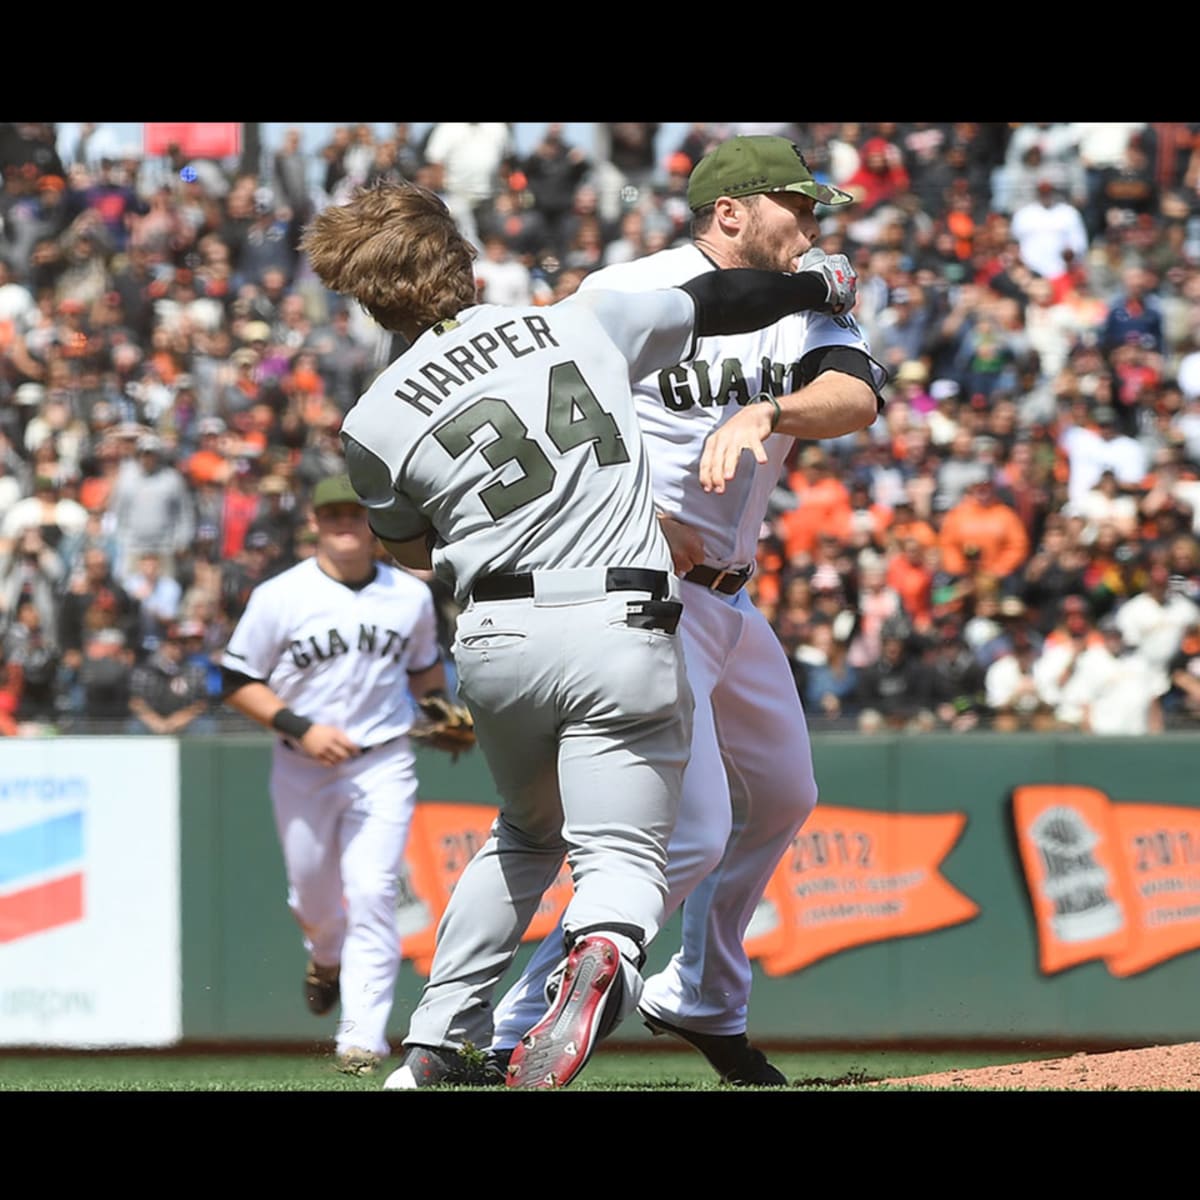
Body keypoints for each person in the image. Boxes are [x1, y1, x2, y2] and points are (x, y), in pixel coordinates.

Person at [300, 177, 860, 1091]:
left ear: (367, 296)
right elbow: (716, 299)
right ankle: (601, 955)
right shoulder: (574, 322)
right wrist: (815, 289)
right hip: (621, 618)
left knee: (523, 835)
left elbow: (409, 551)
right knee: (634, 857)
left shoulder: (369, 423)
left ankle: (438, 1040)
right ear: (463, 261)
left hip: (494, 634)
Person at [488, 134, 885, 1086]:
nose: (816, 228)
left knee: (785, 795)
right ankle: (509, 1030)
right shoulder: (625, 291)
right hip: (643, 590)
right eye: (801, 207)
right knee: (692, 831)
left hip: (731, 602)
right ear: (732, 211)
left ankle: (702, 993)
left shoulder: (800, 301)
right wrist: (634, 516)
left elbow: (854, 396)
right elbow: (542, 420)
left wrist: (769, 413)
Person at [219, 473, 449, 1077]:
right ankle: (323, 956)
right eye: (333, 514)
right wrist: (302, 727)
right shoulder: (280, 596)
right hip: (302, 764)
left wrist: (442, 712)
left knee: (374, 890)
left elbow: (424, 674)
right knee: (315, 897)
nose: (345, 522)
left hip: (383, 760)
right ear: (316, 524)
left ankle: (362, 1036)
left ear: (374, 524)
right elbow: (236, 682)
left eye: (355, 513)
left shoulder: (409, 596)